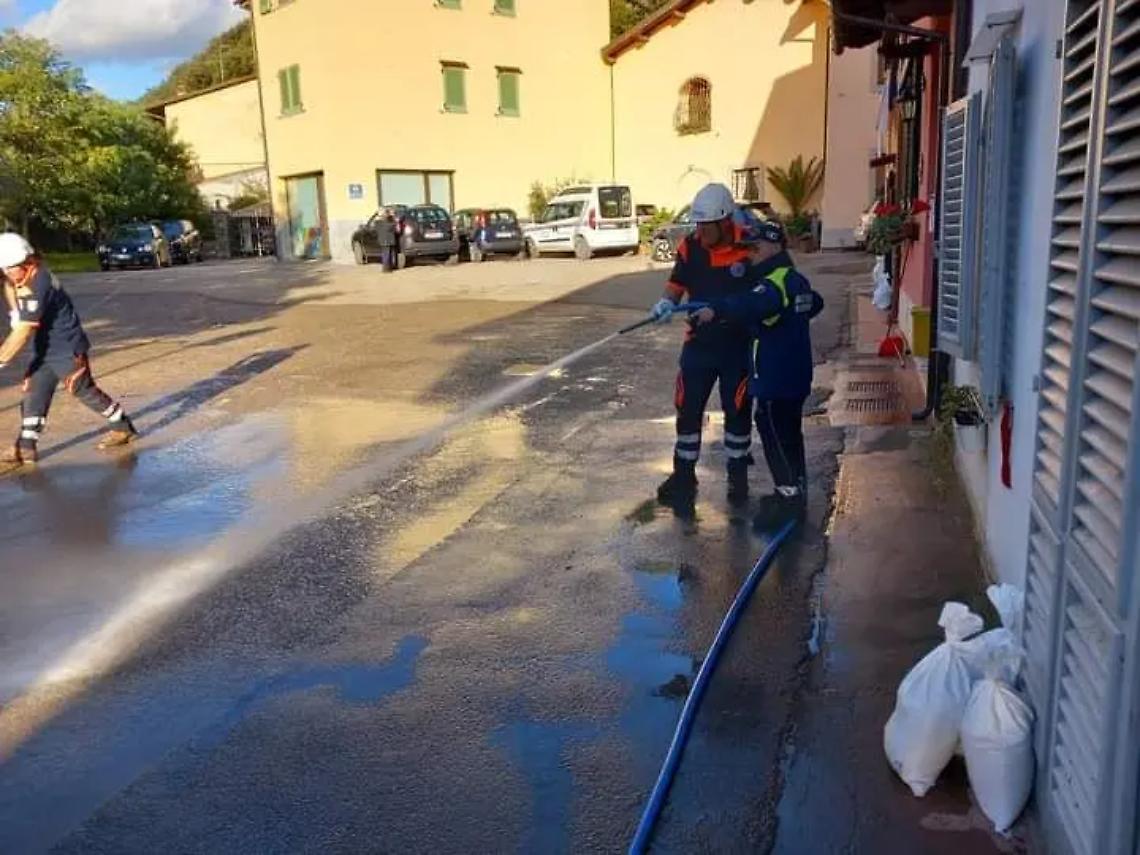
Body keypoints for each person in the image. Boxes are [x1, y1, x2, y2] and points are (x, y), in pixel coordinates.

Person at [691, 218, 824, 529]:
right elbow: (814, 303)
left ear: (774, 246)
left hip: (775, 378)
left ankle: (787, 498)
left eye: (755, 247)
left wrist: (716, 311)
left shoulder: (772, 283)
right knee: (790, 434)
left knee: (774, 434)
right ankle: (795, 487)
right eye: (748, 248)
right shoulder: (795, 279)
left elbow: (750, 304)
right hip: (795, 374)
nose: (750, 254)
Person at [650, 183, 756, 510]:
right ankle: (684, 476)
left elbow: (762, 293)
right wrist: (665, 303)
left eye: (706, 226)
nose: (701, 232)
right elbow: (676, 285)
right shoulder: (690, 247)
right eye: (697, 225)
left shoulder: (749, 246)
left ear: (725, 222)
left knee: (737, 411)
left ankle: (738, 477)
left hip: (736, 347)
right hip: (698, 345)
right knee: (688, 409)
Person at [0, 233, 137, 472]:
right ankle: (25, 445)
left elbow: (22, 333)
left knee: (83, 390)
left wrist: (1, 359)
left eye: (9, 269)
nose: (7, 274)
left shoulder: (38, 283)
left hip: (67, 347)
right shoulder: (22, 272)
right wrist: (14, 312)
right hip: (44, 349)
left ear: (26, 262)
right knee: (34, 392)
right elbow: (9, 285)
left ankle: (122, 427)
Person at [377, 208, 399, 272]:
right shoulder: (386, 221)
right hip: (387, 240)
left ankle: (387, 268)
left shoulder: (379, 221)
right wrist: (395, 221)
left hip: (384, 240)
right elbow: (390, 227)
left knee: (386, 254)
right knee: (387, 254)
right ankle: (386, 269)